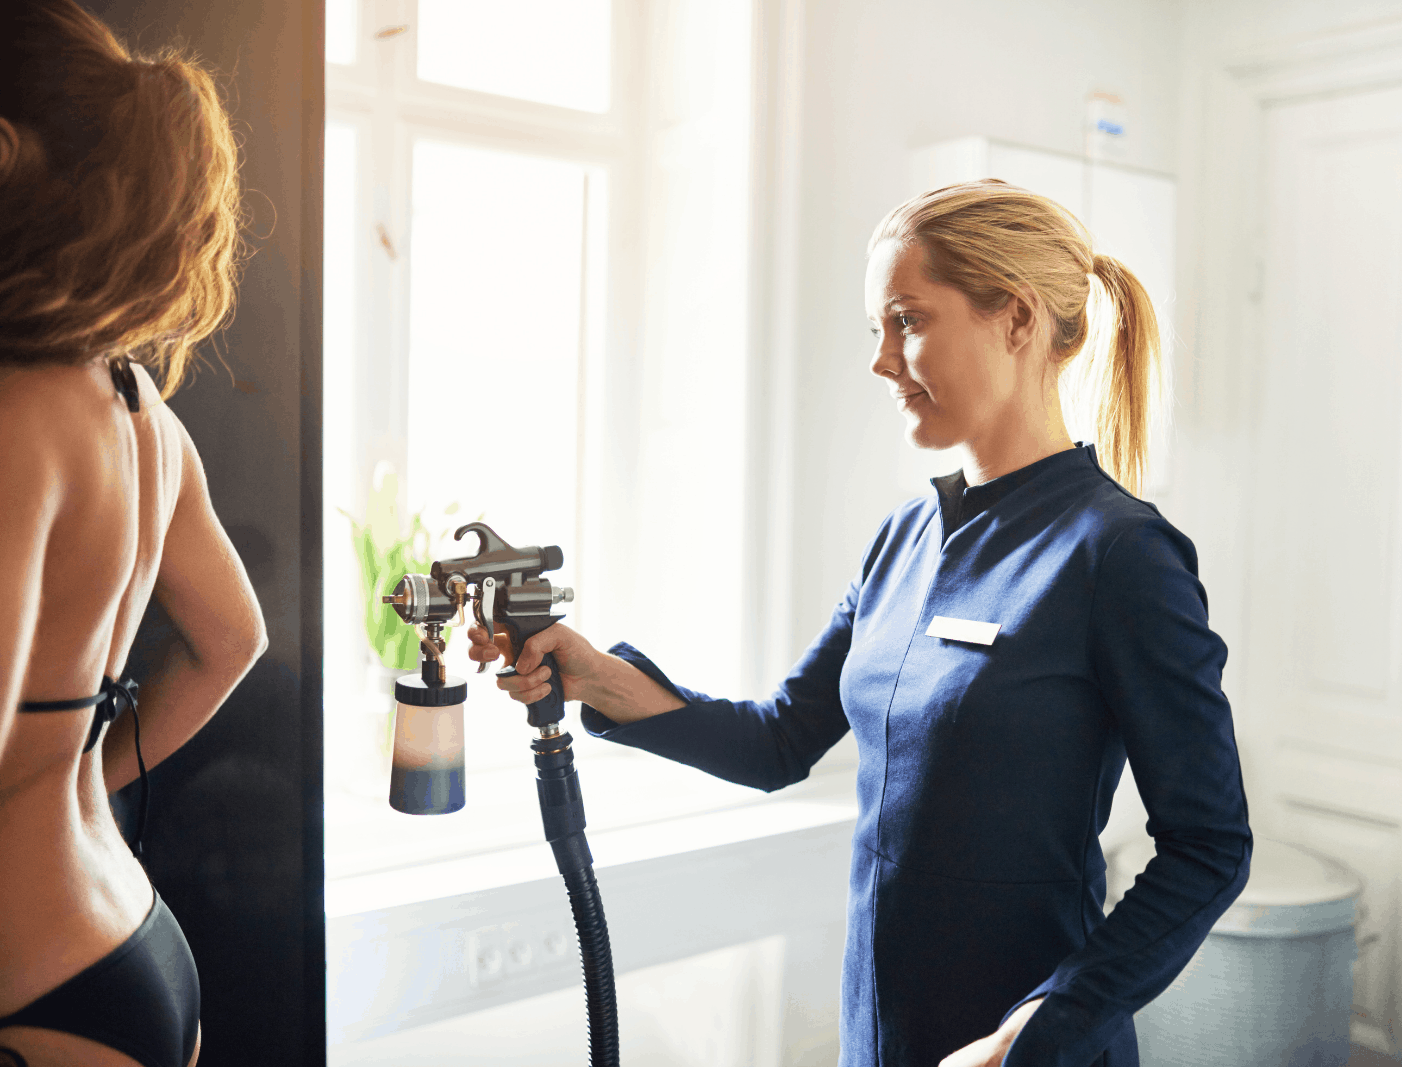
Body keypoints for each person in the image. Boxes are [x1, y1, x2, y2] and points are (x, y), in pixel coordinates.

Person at [470, 180, 1252, 1067]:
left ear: (1018, 320)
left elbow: (1210, 847)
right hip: (880, 1035)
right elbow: (780, 740)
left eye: (908, 320)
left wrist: (1036, 1026)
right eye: (878, 330)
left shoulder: (1119, 553)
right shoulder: (906, 536)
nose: (882, 360)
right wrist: (594, 674)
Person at [0, 3, 267, 1066]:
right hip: (125, 934)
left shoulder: (14, 411)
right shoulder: (138, 407)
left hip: (32, 979)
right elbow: (233, 640)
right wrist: (69, 778)